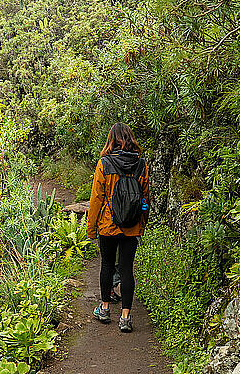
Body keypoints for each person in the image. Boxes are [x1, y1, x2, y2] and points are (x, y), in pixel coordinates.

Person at [86, 123, 150, 333]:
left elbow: (97, 198)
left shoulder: (104, 164)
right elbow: (145, 199)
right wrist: (142, 221)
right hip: (131, 227)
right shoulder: (141, 165)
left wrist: (91, 228)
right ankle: (125, 317)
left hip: (107, 225)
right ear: (130, 139)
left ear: (111, 140)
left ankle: (104, 309)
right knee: (126, 270)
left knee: (106, 264)